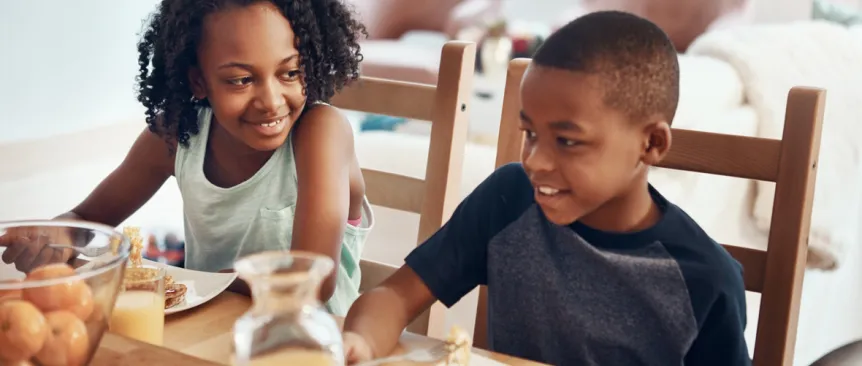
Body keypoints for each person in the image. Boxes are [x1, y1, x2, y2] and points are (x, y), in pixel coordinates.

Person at [341, 10, 750, 366]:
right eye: (530, 132)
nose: (534, 160)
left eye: (568, 141)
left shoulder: (704, 282)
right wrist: (358, 342)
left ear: (652, 144)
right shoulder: (508, 199)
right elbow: (394, 297)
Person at [0, 0, 371, 316]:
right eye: (241, 80)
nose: (272, 100)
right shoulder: (180, 135)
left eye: (290, 72)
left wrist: (172, 281)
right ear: (198, 81)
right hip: (208, 338)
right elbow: (84, 220)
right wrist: (55, 237)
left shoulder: (322, 132)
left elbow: (313, 278)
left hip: (312, 346)